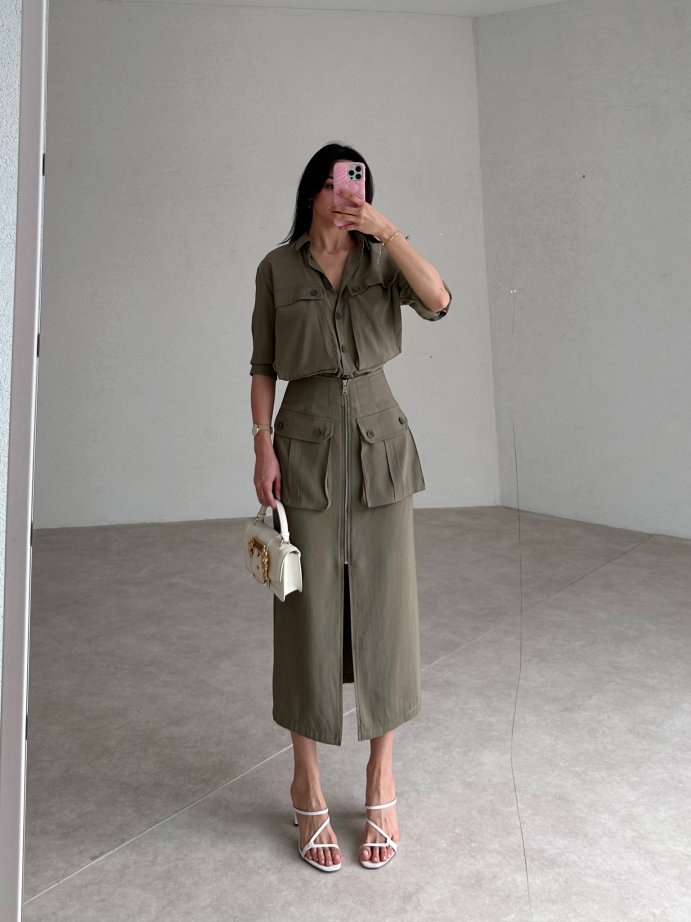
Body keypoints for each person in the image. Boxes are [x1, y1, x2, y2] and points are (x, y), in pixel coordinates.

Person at [249, 142, 451, 872]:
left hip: (378, 443)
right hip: (302, 445)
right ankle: (304, 779)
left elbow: (439, 300)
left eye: (357, 184)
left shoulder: (380, 259)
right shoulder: (277, 268)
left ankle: (380, 778)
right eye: (336, 184)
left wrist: (388, 232)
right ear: (313, 191)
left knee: (385, 612)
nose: (347, 195)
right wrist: (261, 446)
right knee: (304, 610)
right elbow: (263, 365)